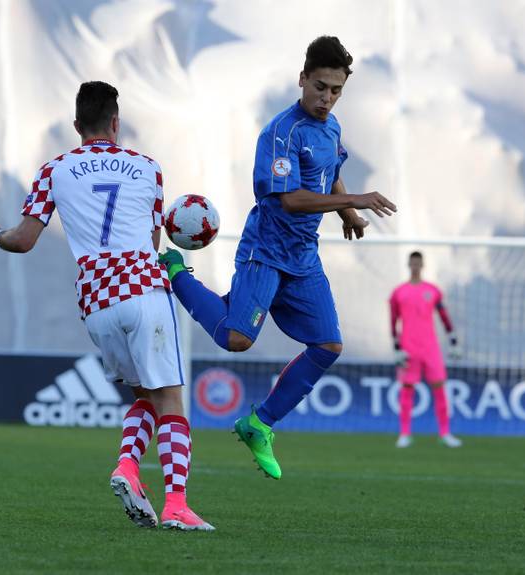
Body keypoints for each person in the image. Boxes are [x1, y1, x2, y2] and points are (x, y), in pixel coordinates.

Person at [0, 81, 213, 531]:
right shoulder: (148, 168)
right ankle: (176, 504)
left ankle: (127, 466)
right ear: (117, 122)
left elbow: (23, 241)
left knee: (143, 394)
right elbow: (153, 241)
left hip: (97, 302)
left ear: (77, 125)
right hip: (143, 290)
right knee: (171, 398)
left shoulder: (54, 170)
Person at [158, 36, 396, 479]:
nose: (327, 98)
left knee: (328, 345)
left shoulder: (332, 128)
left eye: (336, 90)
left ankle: (259, 423)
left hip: (304, 258)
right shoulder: (280, 133)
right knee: (236, 339)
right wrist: (360, 200)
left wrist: (348, 212)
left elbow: (332, 176)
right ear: (302, 79)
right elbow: (289, 200)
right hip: (265, 251)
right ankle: (176, 272)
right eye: (321, 87)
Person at [389, 251, 463, 448]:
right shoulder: (399, 292)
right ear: (408, 264)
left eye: (418, 263)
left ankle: (445, 432)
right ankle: (404, 433)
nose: (415, 266)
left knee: (439, 387)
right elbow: (393, 321)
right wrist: (396, 347)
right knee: (407, 389)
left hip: (430, 346)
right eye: (412, 263)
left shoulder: (433, 291)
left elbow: (443, 315)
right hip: (408, 346)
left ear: (422, 265)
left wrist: (453, 337)